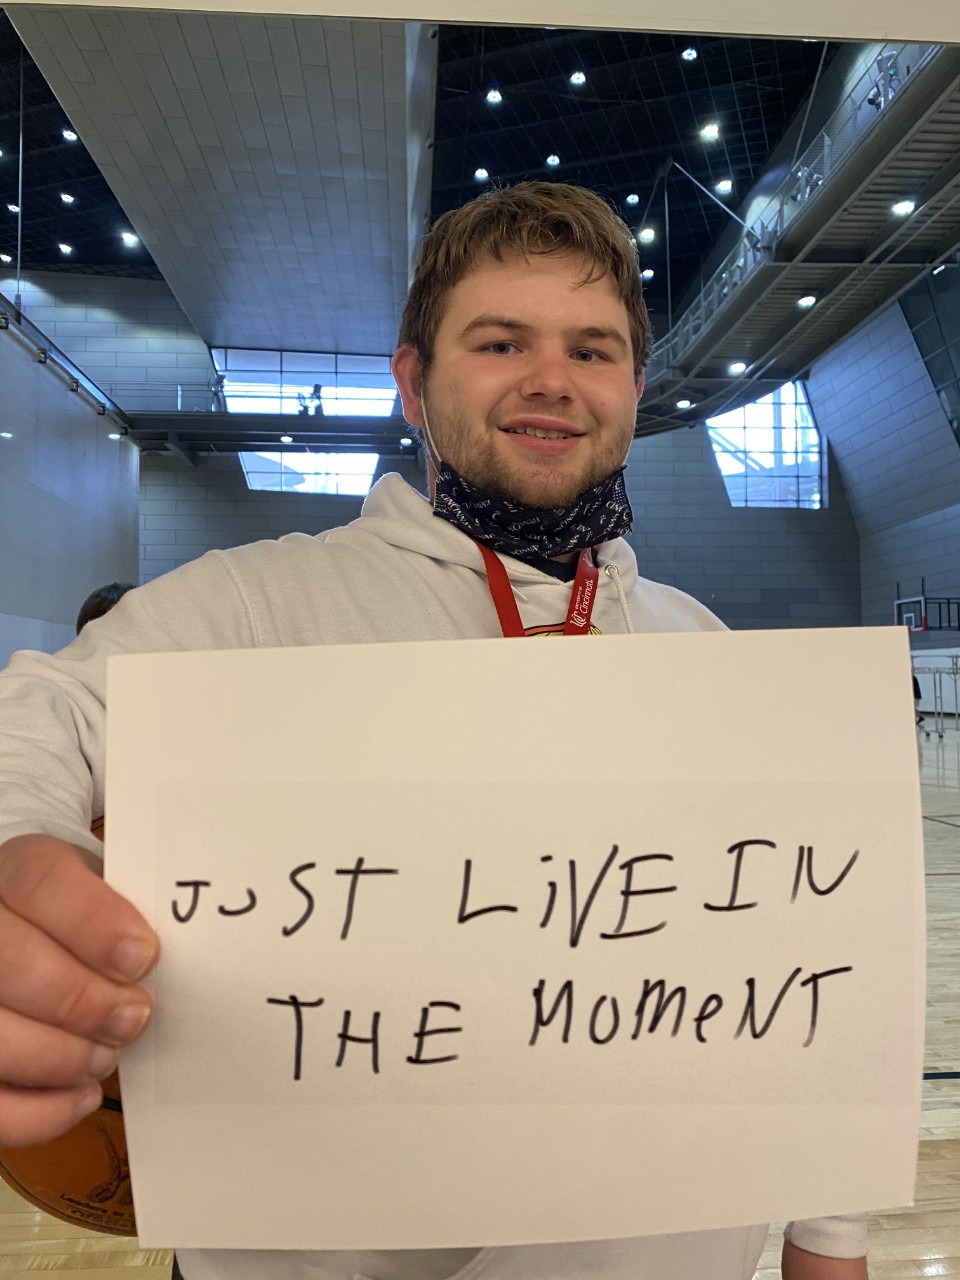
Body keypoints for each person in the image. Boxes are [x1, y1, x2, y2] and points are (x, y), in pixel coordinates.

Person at [0, 182, 869, 1280]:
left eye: (594, 351)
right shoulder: (255, 607)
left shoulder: (703, 644)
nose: (553, 379)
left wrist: (828, 1230)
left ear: (637, 390)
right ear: (413, 380)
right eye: (501, 341)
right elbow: (41, 711)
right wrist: (16, 847)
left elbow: (803, 949)